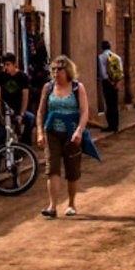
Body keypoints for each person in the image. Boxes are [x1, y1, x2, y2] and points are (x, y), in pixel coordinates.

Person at [36, 56, 91, 218]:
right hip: (52, 131)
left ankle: (71, 203)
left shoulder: (77, 88)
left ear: (68, 71)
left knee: (72, 169)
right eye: (53, 69)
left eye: (59, 69)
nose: (55, 72)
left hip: (71, 133)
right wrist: (40, 132)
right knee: (52, 168)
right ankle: (52, 206)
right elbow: (41, 111)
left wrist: (79, 131)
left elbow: (84, 111)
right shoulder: (48, 87)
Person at [0, 52, 35, 146]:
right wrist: (1, 115)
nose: (5, 68)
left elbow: (25, 97)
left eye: (8, 65)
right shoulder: (0, 77)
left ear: (14, 64)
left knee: (31, 119)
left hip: (18, 110)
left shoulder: (22, 77)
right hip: (5, 111)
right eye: (4, 65)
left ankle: (24, 146)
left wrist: (21, 114)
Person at [97, 41, 123, 132]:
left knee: (108, 103)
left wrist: (110, 82)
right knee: (115, 104)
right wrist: (115, 83)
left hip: (107, 83)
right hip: (115, 82)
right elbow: (120, 72)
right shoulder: (117, 57)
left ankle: (110, 125)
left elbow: (103, 74)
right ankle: (116, 125)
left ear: (102, 47)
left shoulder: (101, 57)